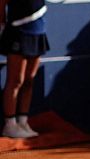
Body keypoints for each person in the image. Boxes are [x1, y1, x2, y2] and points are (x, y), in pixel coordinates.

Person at [0, 0, 49, 139]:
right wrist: (2, 26)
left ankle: (23, 122)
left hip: (38, 30)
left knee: (29, 79)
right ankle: (9, 125)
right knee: (16, 81)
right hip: (17, 31)